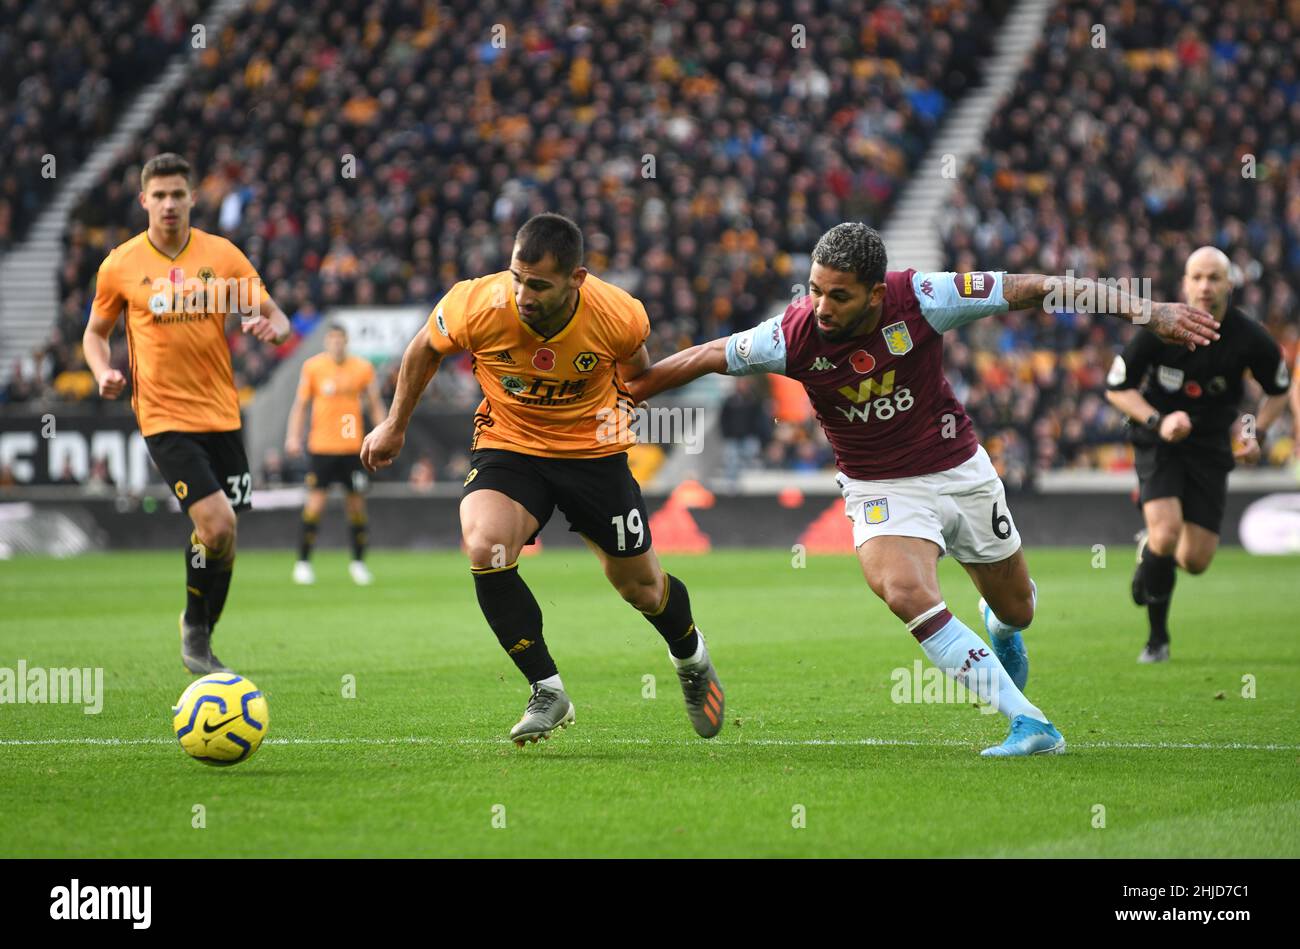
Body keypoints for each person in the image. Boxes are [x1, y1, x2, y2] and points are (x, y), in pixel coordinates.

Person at [626, 222, 1218, 756]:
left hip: (960, 471)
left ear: (876, 293)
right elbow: (706, 356)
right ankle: (1029, 722)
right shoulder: (792, 335)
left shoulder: (926, 298)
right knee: (905, 591)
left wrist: (1147, 312)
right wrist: (629, 394)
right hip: (878, 485)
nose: (821, 306)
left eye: (839, 295)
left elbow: (1034, 288)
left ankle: (1000, 623)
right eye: (814, 289)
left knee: (1019, 609)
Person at [360, 213, 725, 746]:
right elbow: (422, 349)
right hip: (510, 445)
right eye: (517, 277)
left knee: (642, 590)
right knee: (484, 546)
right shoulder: (476, 303)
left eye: (538, 284)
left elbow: (635, 375)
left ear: (576, 279)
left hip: (594, 453)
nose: (523, 294)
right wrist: (395, 425)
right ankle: (547, 688)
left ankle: (691, 658)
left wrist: (703, 362)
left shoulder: (618, 314)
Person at [83, 153, 290, 673]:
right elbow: (94, 334)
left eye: (178, 194)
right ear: (144, 200)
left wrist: (275, 329)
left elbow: (275, 315)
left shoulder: (221, 257)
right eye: (160, 195)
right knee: (216, 524)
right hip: (163, 417)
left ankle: (198, 623)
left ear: (194, 197)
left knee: (224, 536)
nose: (170, 204)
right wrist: (101, 371)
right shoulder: (122, 264)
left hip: (222, 415)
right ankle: (196, 638)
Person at [1105, 246, 1291, 662]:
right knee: (1167, 533)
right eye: (1197, 277)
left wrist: (1251, 432)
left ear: (1229, 284)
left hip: (1209, 447)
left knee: (1195, 560)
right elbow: (1117, 388)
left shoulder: (1250, 337)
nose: (1205, 286)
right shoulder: (1159, 327)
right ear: (1185, 283)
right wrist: (1157, 421)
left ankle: (1149, 550)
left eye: (1214, 278)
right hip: (1161, 440)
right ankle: (1157, 641)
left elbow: (1279, 391)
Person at [286, 323, 385, 586]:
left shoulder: (362, 368)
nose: (336, 345)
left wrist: (384, 434)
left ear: (346, 342)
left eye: (340, 340)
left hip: (353, 449)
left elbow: (375, 403)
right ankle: (303, 563)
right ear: (326, 343)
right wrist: (293, 437)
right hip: (322, 448)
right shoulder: (313, 368)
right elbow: (301, 405)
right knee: (315, 505)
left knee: (356, 507)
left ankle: (358, 563)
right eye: (332, 340)